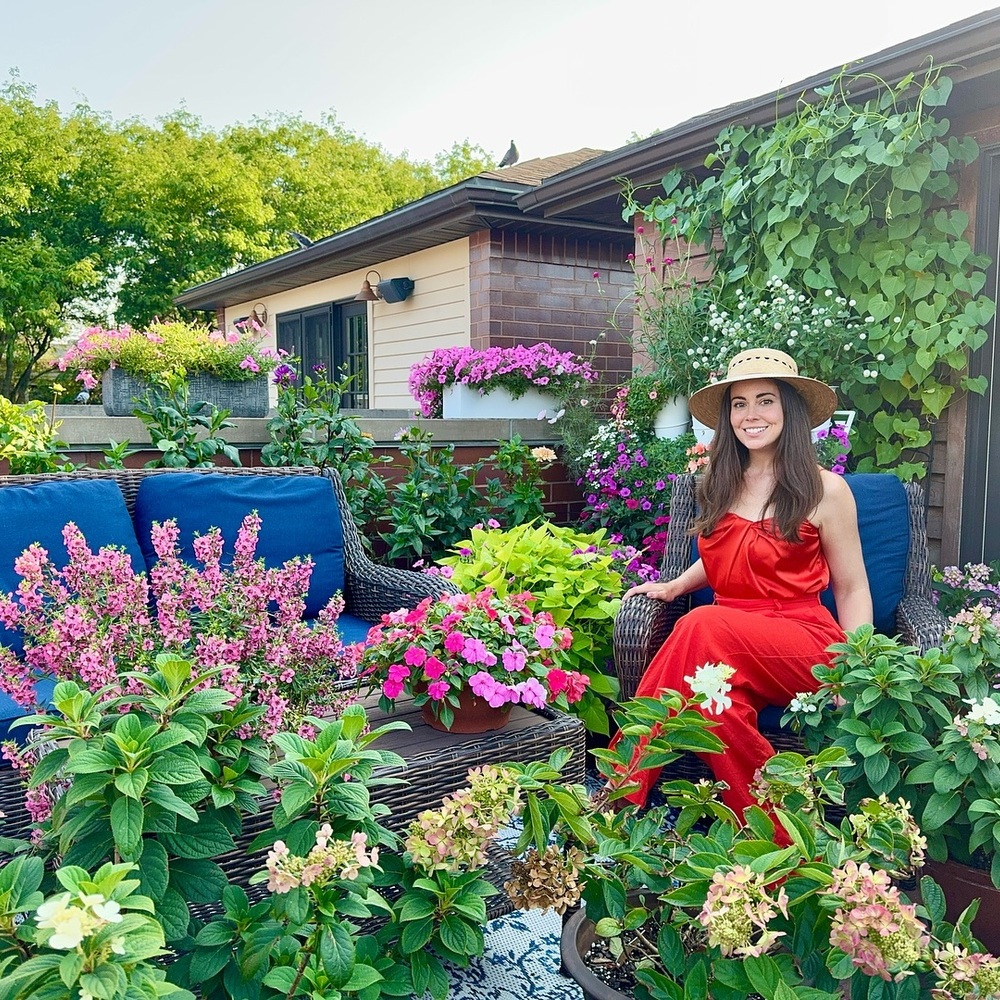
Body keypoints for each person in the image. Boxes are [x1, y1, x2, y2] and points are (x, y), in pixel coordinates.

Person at [612, 348, 873, 817]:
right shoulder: (719, 482)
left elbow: (852, 588)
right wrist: (674, 587)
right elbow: (728, 557)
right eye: (739, 403)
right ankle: (779, 828)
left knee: (700, 625)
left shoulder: (826, 490)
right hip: (729, 643)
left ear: (789, 410)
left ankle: (617, 796)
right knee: (715, 702)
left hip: (802, 642)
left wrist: (854, 669)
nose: (750, 415)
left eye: (765, 400)